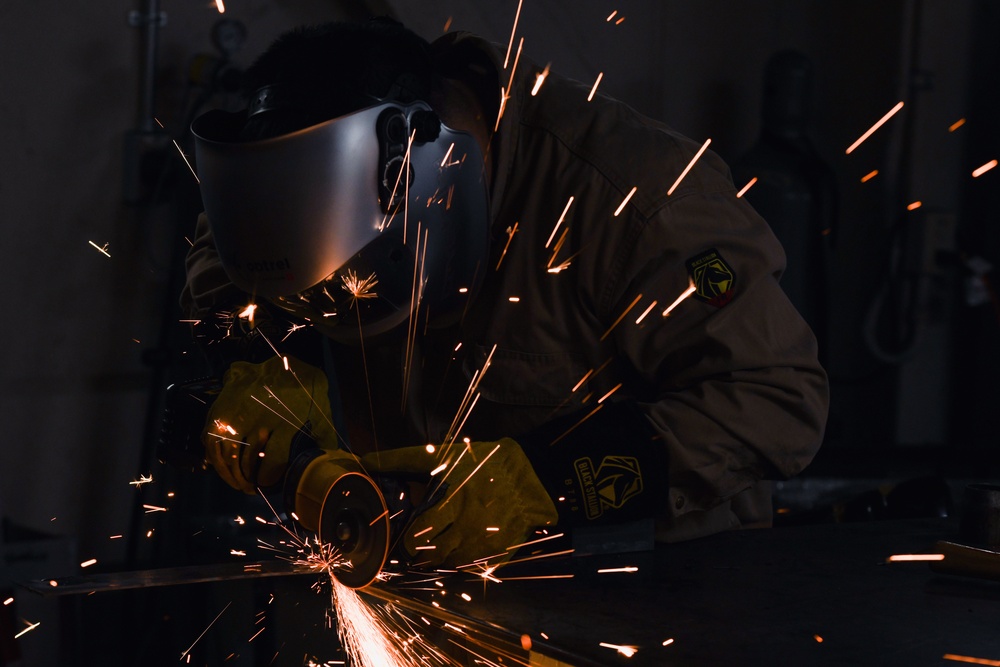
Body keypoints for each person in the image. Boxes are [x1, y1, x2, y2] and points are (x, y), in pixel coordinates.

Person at [181, 19, 829, 570]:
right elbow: (219, 261)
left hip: (649, 590)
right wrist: (257, 361)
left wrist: (541, 482)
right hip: (435, 590)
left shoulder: (636, 200)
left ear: (423, 177)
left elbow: (777, 399)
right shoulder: (288, 185)